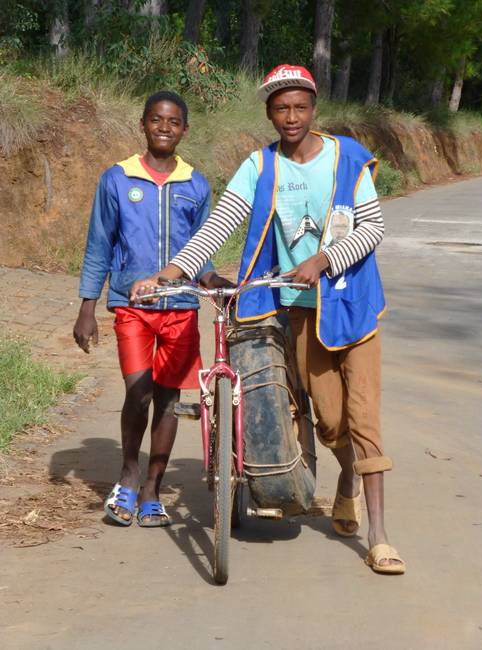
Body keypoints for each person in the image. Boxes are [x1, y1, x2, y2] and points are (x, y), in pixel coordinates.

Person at [129, 66, 405, 573]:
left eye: (300, 107)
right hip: (299, 313)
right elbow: (221, 222)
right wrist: (170, 271)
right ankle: (347, 481)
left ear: (314, 108)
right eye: (281, 108)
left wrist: (322, 261)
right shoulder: (261, 165)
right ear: (270, 113)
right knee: (326, 419)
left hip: (351, 305)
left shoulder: (347, 159)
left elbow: (372, 228)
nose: (291, 117)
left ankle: (381, 537)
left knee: (363, 416)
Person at [73, 91, 231, 527]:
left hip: (180, 306)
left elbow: (204, 246)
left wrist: (212, 279)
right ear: (142, 124)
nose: (165, 127)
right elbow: (99, 244)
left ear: (185, 129)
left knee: (168, 400)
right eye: (157, 119)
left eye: (174, 121)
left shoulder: (196, 184)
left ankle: (151, 491)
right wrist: (87, 306)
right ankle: (127, 474)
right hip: (132, 305)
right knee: (138, 391)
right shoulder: (117, 179)